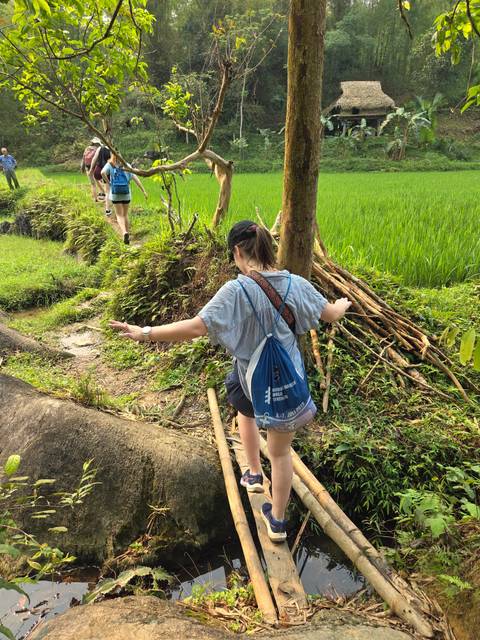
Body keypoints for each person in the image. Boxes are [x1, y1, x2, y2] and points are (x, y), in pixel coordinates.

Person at [110, 220, 351, 541]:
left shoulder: (235, 290)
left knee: (244, 406)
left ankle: (252, 474)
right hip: (284, 381)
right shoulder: (296, 284)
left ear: (238, 251)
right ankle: (277, 522)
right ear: (267, 247)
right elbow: (329, 315)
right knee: (280, 455)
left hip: (249, 376)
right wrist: (341, 305)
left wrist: (145, 333)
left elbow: (197, 326)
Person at [101, 153, 147, 245]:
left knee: (119, 215)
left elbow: (102, 173)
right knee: (125, 215)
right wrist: (143, 191)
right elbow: (135, 178)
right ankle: (128, 234)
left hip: (115, 193)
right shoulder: (127, 165)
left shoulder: (110, 164)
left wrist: (109, 182)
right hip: (126, 193)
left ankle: (124, 232)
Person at [89, 144, 112, 215]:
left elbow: (94, 159)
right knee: (108, 191)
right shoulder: (112, 150)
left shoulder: (100, 148)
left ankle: (101, 193)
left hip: (98, 170)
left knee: (96, 180)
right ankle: (107, 210)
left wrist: (91, 169)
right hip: (107, 171)